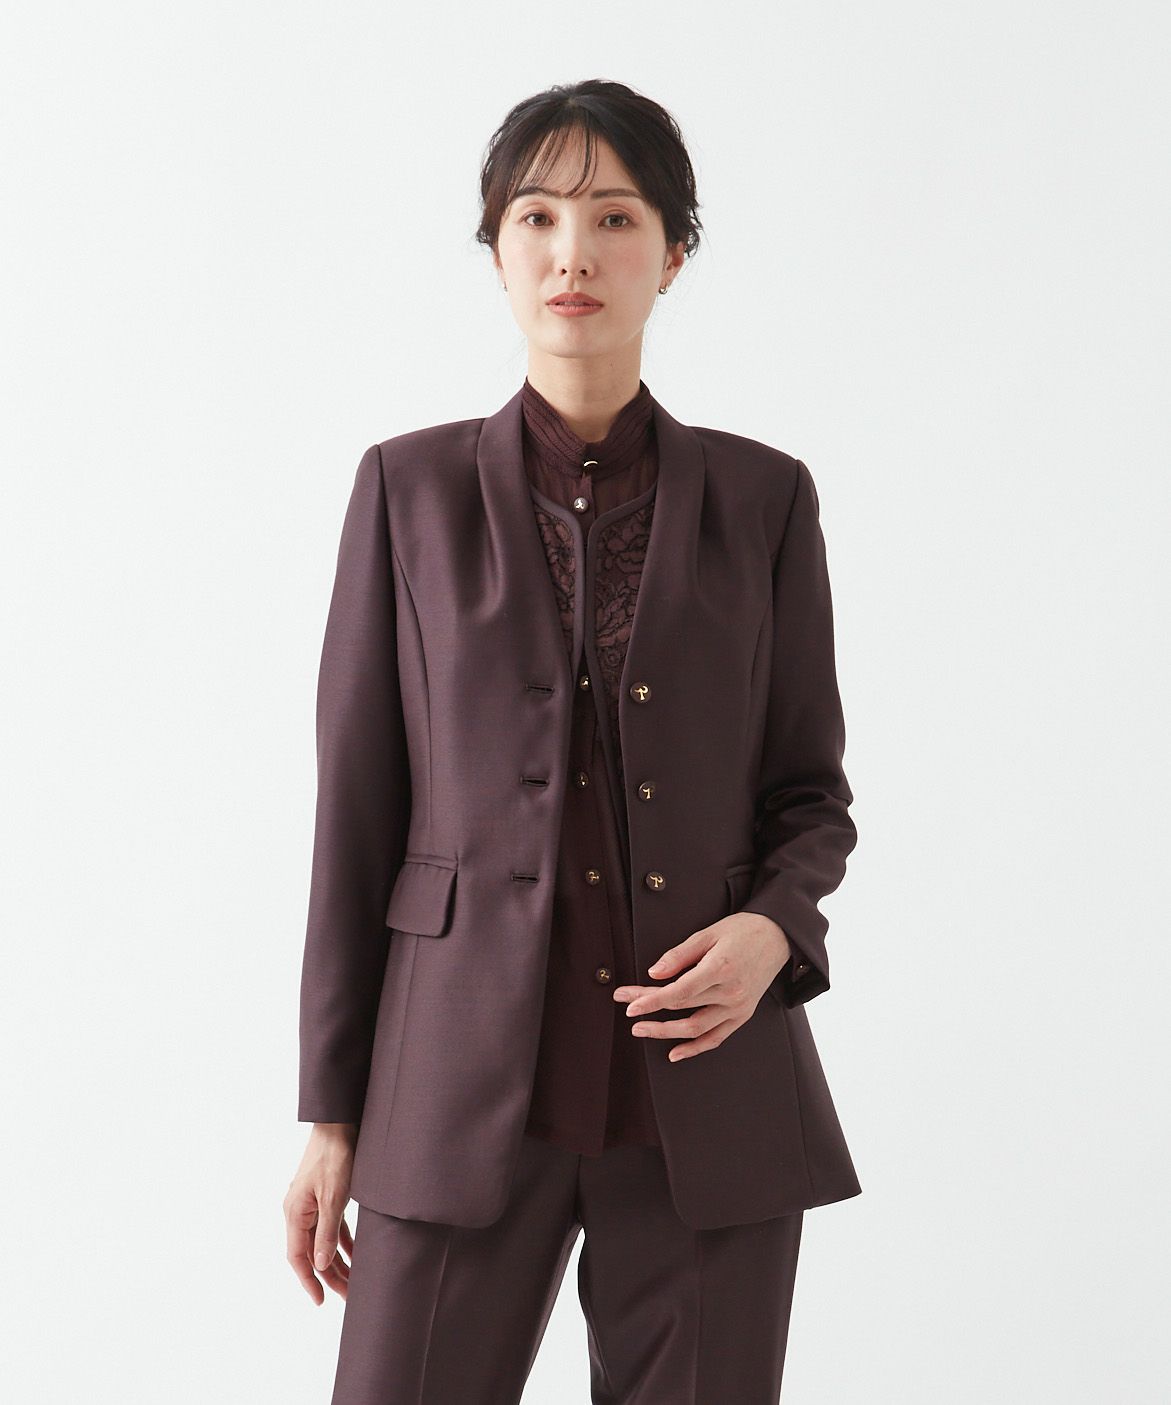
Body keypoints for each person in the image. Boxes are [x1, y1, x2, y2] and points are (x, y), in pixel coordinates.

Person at [284, 78, 861, 1404]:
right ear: (496, 251)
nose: (572, 253)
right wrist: (330, 1113)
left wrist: (773, 931)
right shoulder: (407, 491)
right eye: (537, 217)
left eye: (614, 217)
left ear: (673, 252)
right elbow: (357, 817)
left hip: (706, 1091)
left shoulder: (765, 500)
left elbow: (809, 793)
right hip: (453, 1084)